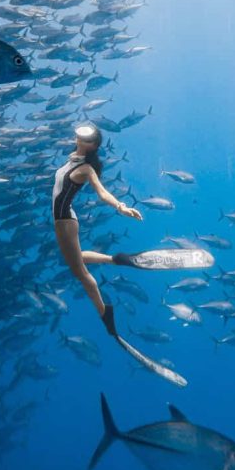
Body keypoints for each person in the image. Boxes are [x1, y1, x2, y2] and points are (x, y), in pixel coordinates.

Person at [53, 122, 142, 337]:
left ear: (93, 146)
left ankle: (105, 314)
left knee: (80, 273)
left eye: (87, 139)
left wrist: (121, 206)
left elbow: (102, 193)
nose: (80, 139)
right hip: (63, 219)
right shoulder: (72, 159)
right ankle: (116, 259)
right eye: (80, 136)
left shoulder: (85, 168)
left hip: (65, 221)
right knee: (77, 258)